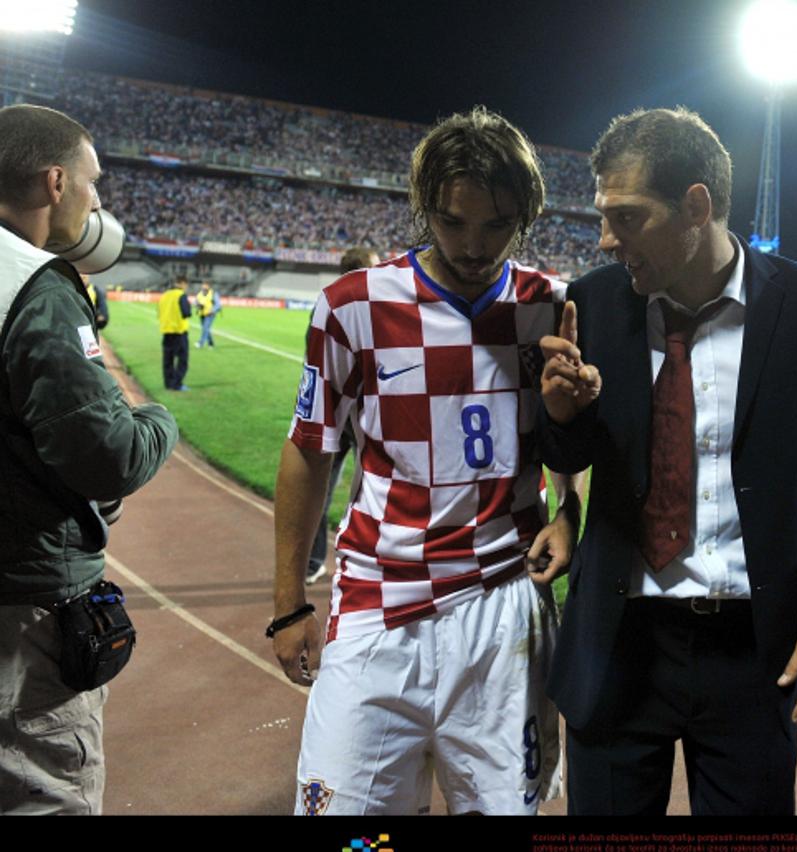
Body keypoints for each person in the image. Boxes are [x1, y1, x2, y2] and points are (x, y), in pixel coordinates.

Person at [538, 107, 797, 816]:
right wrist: (563, 418)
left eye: (627, 217)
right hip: (618, 644)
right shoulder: (595, 303)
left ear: (696, 205)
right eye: (604, 216)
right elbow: (572, 455)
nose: (606, 239)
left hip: (753, 653)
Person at [271, 107, 579, 816]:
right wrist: (288, 603)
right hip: (379, 600)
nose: (474, 246)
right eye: (452, 222)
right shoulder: (352, 307)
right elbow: (309, 450)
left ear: (526, 217)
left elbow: (564, 439)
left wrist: (569, 512)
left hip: (506, 604)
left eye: (497, 225)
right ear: (423, 208)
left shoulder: (547, 304)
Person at [0, 104, 178, 814]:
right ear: (54, 183)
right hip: (23, 600)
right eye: (92, 183)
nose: (98, 200)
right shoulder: (35, 288)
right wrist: (156, 418)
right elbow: (109, 457)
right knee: (44, 794)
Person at [304, 247, 379, 586]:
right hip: (358, 416)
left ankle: (317, 561)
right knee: (374, 491)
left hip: (338, 413)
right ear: (364, 270)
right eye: (376, 267)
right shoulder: (367, 305)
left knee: (322, 489)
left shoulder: (328, 304)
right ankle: (362, 563)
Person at [157, 275, 191, 390]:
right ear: (182, 283)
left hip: (166, 332)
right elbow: (187, 313)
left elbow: (159, 312)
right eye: (186, 285)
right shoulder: (181, 295)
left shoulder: (164, 295)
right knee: (182, 360)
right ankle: (177, 384)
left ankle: (168, 383)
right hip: (179, 332)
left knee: (167, 360)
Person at [194, 280, 221, 348]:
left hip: (210, 314)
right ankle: (211, 343)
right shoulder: (200, 293)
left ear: (209, 286)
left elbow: (218, 304)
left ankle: (201, 343)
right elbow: (195, 302)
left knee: (205, 328)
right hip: (202, 313)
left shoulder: (213, 293)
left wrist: (212, 310)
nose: (204, 286)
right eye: (203, 285)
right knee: (205, 329)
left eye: (205, 285)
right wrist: (197, 305)